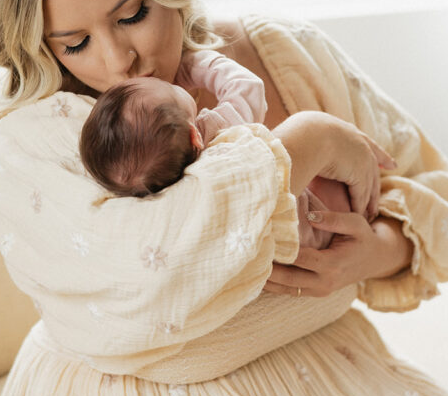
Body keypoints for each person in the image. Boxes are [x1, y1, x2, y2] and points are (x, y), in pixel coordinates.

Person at [0, 0, 448, 396]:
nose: (120, 60)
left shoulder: (283, 53)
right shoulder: (37, 138)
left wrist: (378, 251)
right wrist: (308, 144)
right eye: (75, 44)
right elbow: (155, 277)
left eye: (134, 14)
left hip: (328, 368)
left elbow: (439, 198)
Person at [79, 49, 380, 250]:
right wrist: (197, 66)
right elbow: (248, 89)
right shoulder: (217, 133)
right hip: (315, 218)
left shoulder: (166, 188)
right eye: (171, 89)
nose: (173, 83)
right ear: (194, 136)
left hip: (284, 243)